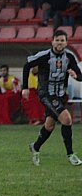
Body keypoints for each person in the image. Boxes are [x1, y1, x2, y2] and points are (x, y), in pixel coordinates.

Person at [24, 30, 82, 166]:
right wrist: (25, 87)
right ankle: (71, 154)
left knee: (49, 126)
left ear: (66, 43)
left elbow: (80, 75)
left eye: (62, 40)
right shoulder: (44, 56)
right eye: (57, 40)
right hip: (46, 94)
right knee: (67, 120)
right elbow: (27, 66)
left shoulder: (69, 58)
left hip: (60, 95)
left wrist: (76, 75)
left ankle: (35, 147)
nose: (60, 43)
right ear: (52, 41)